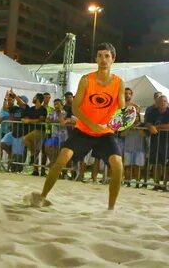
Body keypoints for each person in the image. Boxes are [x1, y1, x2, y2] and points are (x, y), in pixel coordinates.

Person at [28, 43, 125, 210]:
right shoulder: (87, 80)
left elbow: (122, 111)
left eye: (107, 56)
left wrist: (121, 121)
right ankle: (42, 197)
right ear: (96, 59)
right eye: (100, 56)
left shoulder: (119, 83)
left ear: (113, 59)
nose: (103, 59)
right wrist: (92, 125)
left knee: (118, 165)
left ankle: (111, 210)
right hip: (84, 130)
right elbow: (75, 108)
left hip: (105, 133)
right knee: (61, 160)